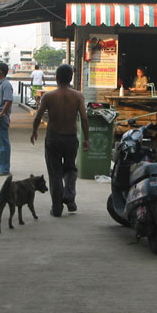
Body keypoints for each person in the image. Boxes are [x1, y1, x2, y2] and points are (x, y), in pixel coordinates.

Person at [30, 64, 89, 217]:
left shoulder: (48, 96)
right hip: (71, 138)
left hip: (53, 138)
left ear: (56, 78)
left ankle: (57, 208)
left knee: (55, 173)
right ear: (70, 78)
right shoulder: (78, 96)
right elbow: (84, 118)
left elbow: (38, 116)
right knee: (70, 169)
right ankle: (69, 198)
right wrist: (86, 138)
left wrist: (34, 131)